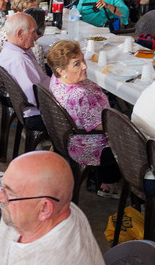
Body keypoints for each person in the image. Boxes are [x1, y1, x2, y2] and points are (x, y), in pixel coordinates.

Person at [46, 40, 122, 198]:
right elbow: (100, 126)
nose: (85, 66)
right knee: (139, 141)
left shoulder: (56, 79)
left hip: (68, 136)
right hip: (89, 145)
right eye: (77, 64)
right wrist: (124, 121)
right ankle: (110, 183)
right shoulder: (80, 95)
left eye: (82, 60)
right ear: (62, 70)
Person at [0, 13, 49, 132]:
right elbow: (35, 98)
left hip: (34, 103)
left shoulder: (11, 50)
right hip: (36, 113)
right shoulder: (19, 61)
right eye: (33, 31)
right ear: (20, 34)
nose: (36, 35)